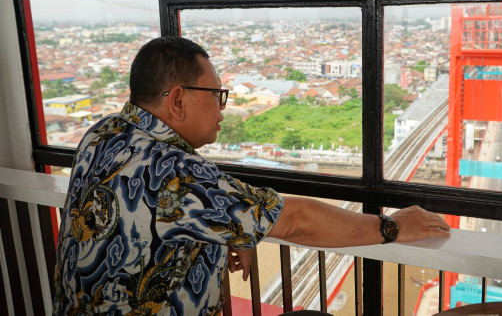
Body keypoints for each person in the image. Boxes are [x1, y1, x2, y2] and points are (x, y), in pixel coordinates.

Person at [52, 36, 450, 315]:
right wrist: (391, 227)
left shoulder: (103, 132)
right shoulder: (177, 173)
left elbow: (142, 223)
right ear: (177, 100)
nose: (222, 109)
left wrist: (217, 236)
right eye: (216, 95)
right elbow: (294, 221)